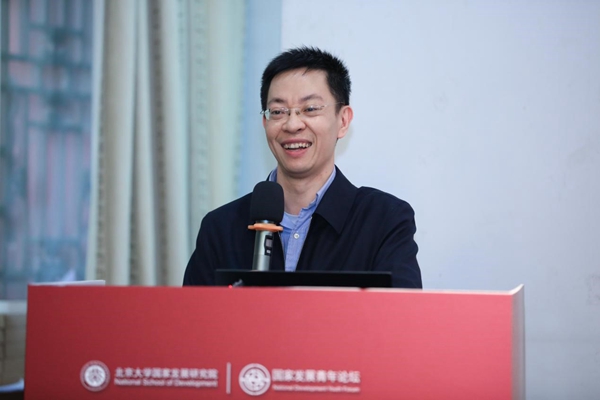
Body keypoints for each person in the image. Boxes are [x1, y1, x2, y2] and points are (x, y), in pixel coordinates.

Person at [183, 47, 422, 288]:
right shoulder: (221, 228)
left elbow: (401, 312)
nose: (292, 124)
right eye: (278, 112)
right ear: (265, 122)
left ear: (343, 120)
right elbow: (191, 312)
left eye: (310, 109)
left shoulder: (384, 220)